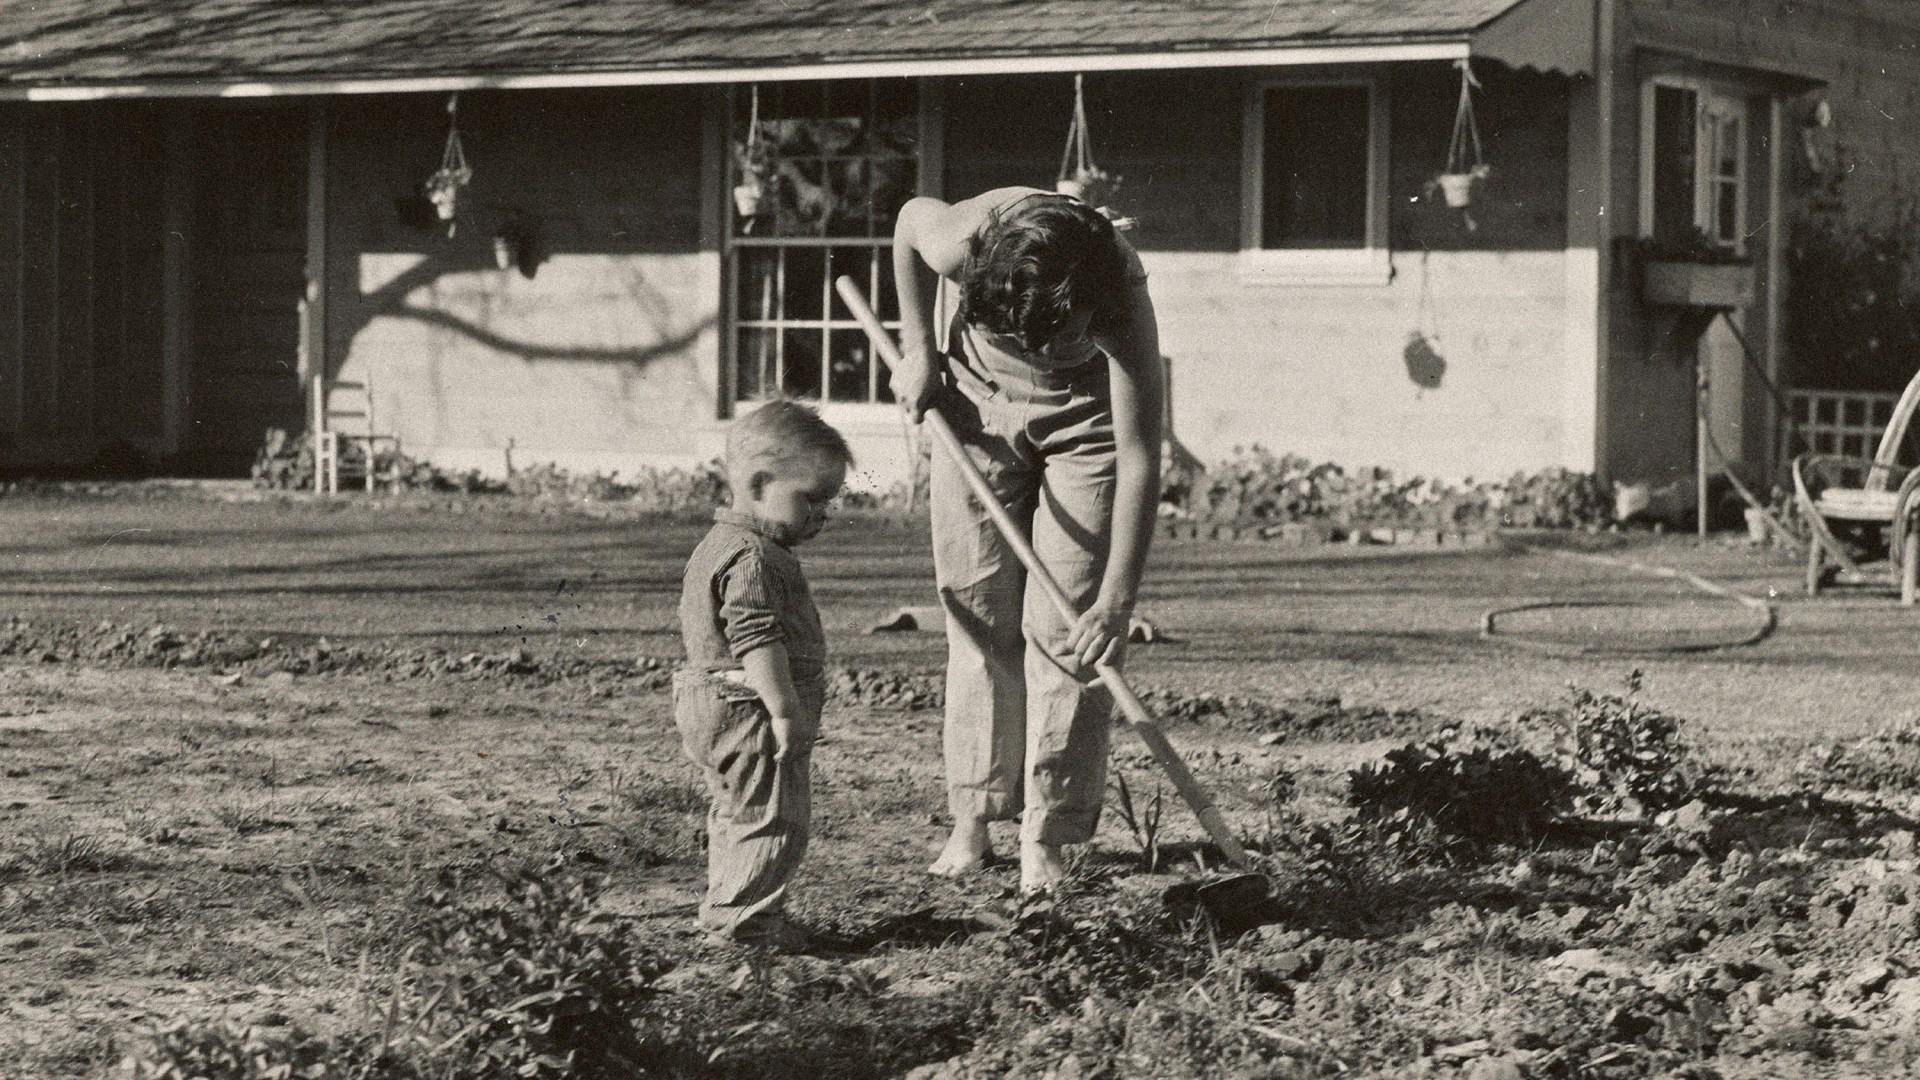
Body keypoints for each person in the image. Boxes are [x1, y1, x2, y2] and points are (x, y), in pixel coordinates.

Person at [890, 186, 1164, 895]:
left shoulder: (1121, 295)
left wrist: (1115, 601)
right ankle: (974, 816)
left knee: (1071, 630)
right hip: (975, 406)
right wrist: (918, 348)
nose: (1054, 348)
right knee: (976, 609)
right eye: (1036, 337)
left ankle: (1048, 832)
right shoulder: (965, 239)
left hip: (1088, 426)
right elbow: (905, 223)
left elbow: (1139, 456)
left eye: (1069, 333)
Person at [673, 399, 853, 949]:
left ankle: (730, 908)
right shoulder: (753, 558)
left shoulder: (719, 545)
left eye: (829, 501)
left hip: (710, 700)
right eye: (811, 498)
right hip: (750, 707)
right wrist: (783, 708)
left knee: (735, 811)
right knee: (773, 817)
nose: (822, 514)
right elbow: (755, 638)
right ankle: (745, 926)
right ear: (757, 484)